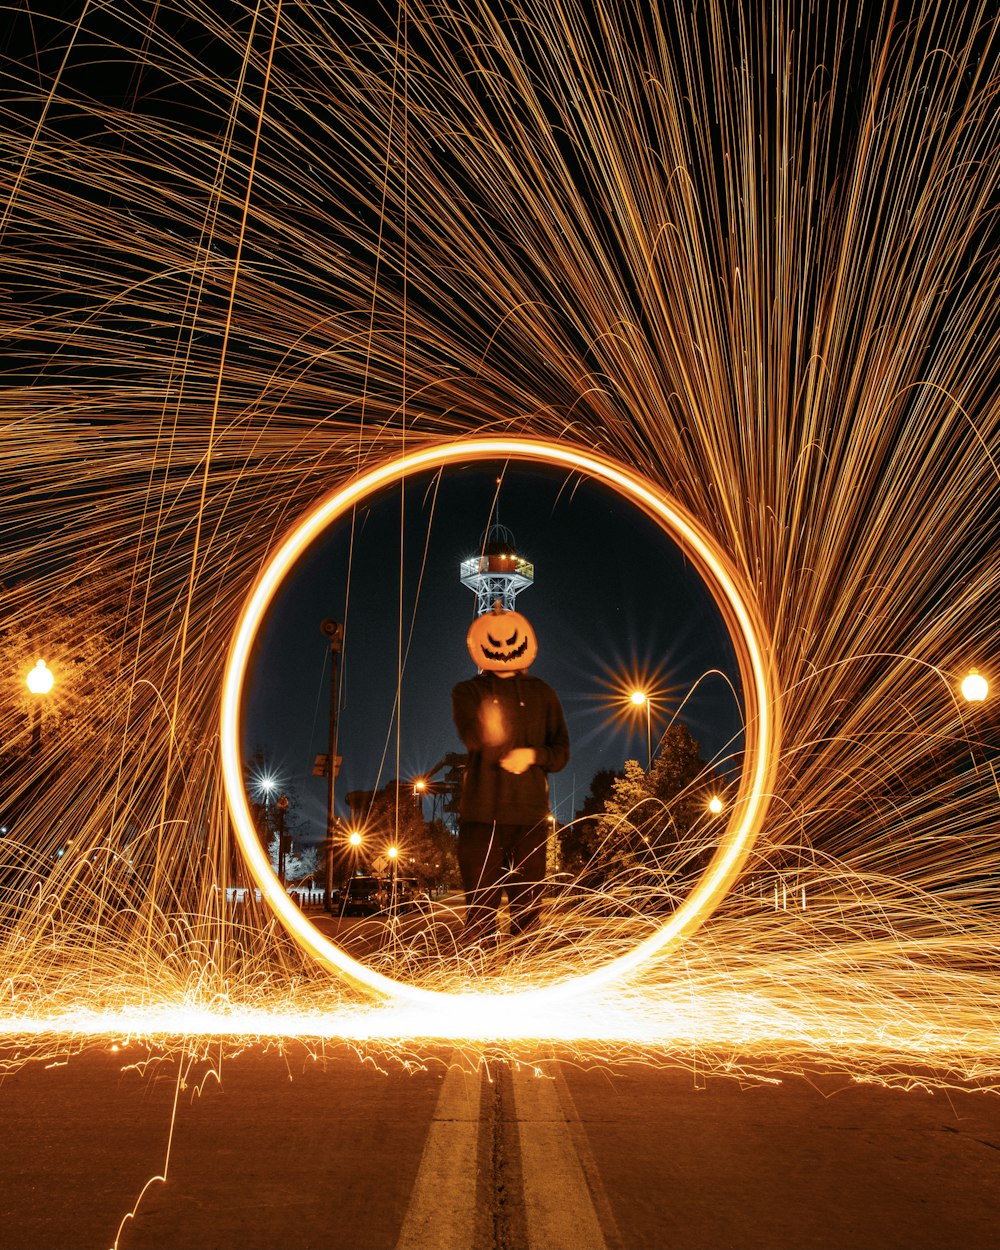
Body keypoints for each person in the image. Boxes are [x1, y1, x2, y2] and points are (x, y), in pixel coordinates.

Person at [451, 601, 570, 946]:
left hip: (529, 818)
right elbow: (472, 737)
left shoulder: (543, 694)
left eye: (511, 640)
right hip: (481, 817)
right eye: (494, 641)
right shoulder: (467, 692)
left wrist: (532, 754)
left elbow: (561, 752)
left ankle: (523, 980)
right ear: (478, 643)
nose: (503, 647)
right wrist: (491, 730)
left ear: (526, 642)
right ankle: (482, 983)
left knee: (528, 911)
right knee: (480, 911)